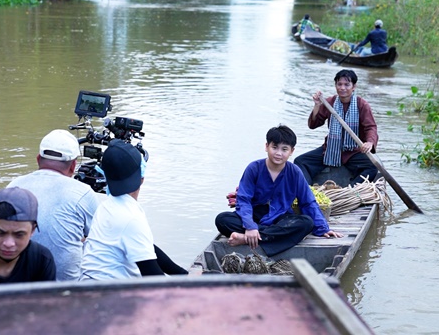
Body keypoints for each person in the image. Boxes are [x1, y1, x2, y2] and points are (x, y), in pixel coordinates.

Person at [215, 125, 343, 257]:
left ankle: (246, 239)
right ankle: (266, 237)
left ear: (291, 151)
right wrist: (250, 225)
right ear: (266, 147)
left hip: (281, 217)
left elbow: (307, 202)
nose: (278, 153)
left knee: (306, 223)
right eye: (274, 147)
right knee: (222, 219)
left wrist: (322, 228)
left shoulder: (295, 172)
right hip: (255, 215)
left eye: (284, 149)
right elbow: (243, 200)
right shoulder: (254, 168)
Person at [80, 139, 188, 280]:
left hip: (89, 287)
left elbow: (146, 248)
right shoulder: (131, 217)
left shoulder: (107, 206)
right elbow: (153, 277)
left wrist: (183, 274)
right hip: (109, 296)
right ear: (141, 177)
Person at [8, 129, 100, 281]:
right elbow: (98, 239)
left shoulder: (13, 185)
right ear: (73, 166)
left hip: (17, 286)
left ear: (38, 159)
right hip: (64, 291)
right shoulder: (82, 192)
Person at [294, 69, 379, 187]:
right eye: (339, 84)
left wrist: (370, 143)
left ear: (354, 86)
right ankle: (308, 192)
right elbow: (313, 124)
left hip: (353, 152)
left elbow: (370, 127)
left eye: (347, 84)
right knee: (300, 162)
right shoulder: (330, 102)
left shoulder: (361, 104)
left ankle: (350, 191)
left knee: (373, 167)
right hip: (330, 150)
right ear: (335, 86)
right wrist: (317, 105)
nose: (342, 88)